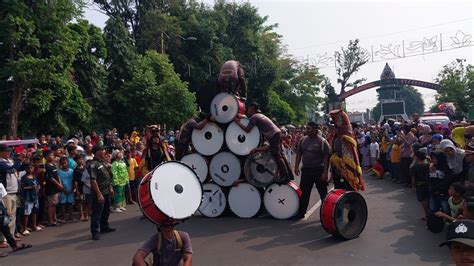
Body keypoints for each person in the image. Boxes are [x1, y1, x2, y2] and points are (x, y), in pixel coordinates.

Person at [233, 102, 293, 181]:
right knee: (281, 154)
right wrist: (240, 116)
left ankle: (284, 176)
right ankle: (290, 174)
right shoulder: (258, 116)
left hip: (273, 135)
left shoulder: (254, 117)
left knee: (277, 155)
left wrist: (237, 123)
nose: (248, 110)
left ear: (252, 109)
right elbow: (247, 119)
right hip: (276, 133)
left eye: (250, 108)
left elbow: (247, 130)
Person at [293, 121, 331, 219]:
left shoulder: (322, 141)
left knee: (323, 193)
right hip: (306, 170)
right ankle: (301, 213)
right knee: (304, 192)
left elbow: (327, 157)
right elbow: (299, 153)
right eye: (306, 128)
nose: (306, 130)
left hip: (318, 170)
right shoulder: (303, 140)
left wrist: (325, 172)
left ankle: (327, 213)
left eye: (308, 128)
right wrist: (296, 166)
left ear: (315, 129)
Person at [88, 145, 115, 241]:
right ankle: (95, 231)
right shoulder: (93, 164)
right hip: (99, 192)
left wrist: (110, 187)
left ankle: (104, 226)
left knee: (106, 210)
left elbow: (107, 177)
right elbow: (93, 180)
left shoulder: (102, 162)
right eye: (102, 150)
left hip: (106, 190)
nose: (104, 152)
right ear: (97, 152)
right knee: (97, 212)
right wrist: (99, 194)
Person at [0, 182, 32, 258]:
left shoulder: (0, 184)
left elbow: (4, 196)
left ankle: (14, 245)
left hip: (0, 209)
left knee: (5, 228)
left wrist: (8, 209)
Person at [20, 164, 41, 235]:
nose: (30, 169)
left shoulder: (34, 176)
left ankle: (34, 226)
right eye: (29, 168)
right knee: (26, 213)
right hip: (28, 197)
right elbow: (22, 188)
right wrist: (31, 187)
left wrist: (38, 187)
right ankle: (24, 228)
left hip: (35, 197)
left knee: (34, 211)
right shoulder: (24, 178)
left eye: (31, 168)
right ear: (26, 169)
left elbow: (38, 184)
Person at [43, 150, 63, 226]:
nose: (53, 156)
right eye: (51, 155)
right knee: (51, 204)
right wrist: (58, 184)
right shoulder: (47, 166)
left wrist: (59, 184)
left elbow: (56, 176)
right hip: (51, 188)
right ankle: (51, 221)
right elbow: (51, 178)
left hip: (55, 188)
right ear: (46, 157)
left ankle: (55, 219)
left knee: (54, 204)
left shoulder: (53, 164)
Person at [411, 151, 430, 220]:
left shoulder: (414, 167)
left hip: (420, 185)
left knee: (423, 201)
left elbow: (413, 178)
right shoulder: (428, 165)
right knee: (428, 199)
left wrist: (413, 186)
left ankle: (427, 215)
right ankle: (427, 214)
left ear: (417, 157)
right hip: (428, 184)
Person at [58, 157, 74, 221]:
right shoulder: (59, 172)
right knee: (63, 204)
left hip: (70, 189)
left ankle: (70, 216)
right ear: (60, 164)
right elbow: (59, 181)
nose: (64, 164)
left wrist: (72, 188)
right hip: (63, 190)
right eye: (62, 163)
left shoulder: (71, 171)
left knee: (70, 203)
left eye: (65, 163)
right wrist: (63, 189)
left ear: (68, 163)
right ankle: (63, 217)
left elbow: (73, 181)